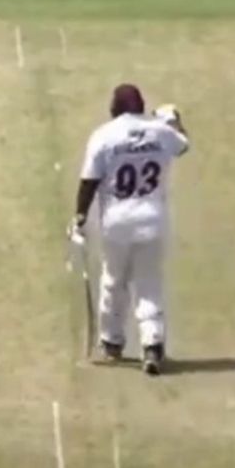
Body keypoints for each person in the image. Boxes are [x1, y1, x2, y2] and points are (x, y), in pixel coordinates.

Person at [69, 84, 190, 375]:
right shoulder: (160, 132)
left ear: (115, 106)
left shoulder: (104, 135)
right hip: (153, 220)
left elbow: (89, 181)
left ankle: (112, 341)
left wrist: (80, 215)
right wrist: (172, 120)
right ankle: (152, 344)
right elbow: (183, 144)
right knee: (149, 284)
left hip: (117, 222)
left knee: (114, 280)